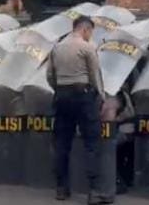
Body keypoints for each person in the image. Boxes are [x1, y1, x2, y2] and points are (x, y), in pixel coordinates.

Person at [47, 16, 107, 205]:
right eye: (90, 32)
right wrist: (101, 96)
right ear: (86, 30)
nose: (90, 36)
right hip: (83, 97)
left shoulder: (57, 47)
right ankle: (94, 191)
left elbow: (49, 75)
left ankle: (61, 189)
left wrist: (59, 89)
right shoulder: (87, 47)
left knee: (62, 143)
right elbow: (95, 74)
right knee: (92, 142)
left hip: (62, 96)